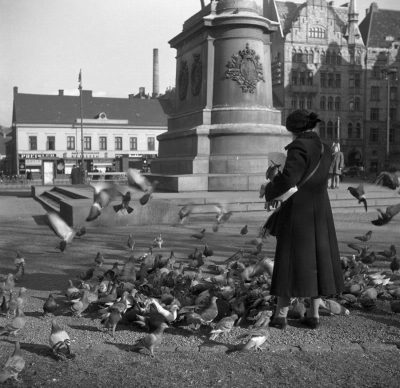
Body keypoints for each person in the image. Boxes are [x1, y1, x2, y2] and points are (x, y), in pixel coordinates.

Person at [264, 109, 344, 330]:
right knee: (316, 261)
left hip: (298, 211)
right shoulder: (325, 148)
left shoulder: (299, 147)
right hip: (320, 211)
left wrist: (270, 189)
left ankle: (280, 315)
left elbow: (290, 178)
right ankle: (314, 314)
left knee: (288, 261)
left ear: (294, 130)